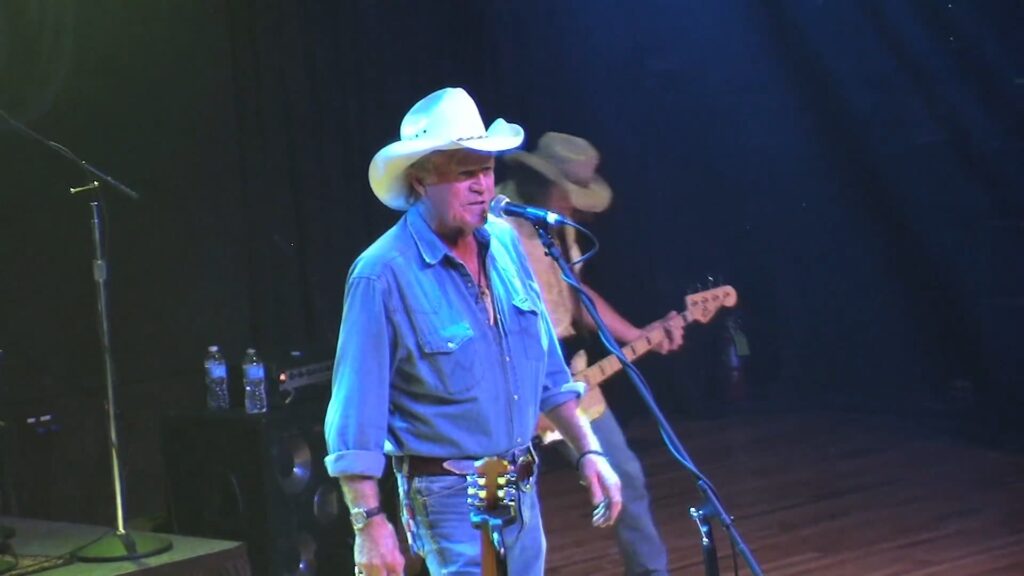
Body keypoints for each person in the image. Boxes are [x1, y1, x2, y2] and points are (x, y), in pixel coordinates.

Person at [323, 88, 623, 576]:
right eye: (464, 173)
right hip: (447, 494)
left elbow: (549, 373)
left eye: (486, 170)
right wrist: (368, 523)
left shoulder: (506, 243)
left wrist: (588, 449)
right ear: (420, 180)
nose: (482, 185)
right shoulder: (382, 273)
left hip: (518, 481)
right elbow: (356, 411)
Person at [497, 132, 685, 576]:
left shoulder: (559, 227)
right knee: (501, 501)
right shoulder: (495, 221)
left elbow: (578, 297)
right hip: (508, 381)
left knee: (624, 475)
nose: (577, 207)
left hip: (566, 378)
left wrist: (639, 334)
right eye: (570, 194)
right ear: (545, 182)